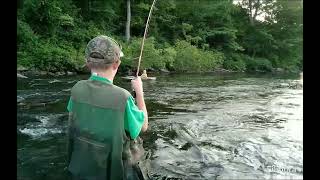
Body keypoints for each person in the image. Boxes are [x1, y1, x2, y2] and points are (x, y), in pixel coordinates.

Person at [66, 35, 149, 180]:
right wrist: (140, 93)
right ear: (117, 64)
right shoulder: (123, 97)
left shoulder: (76, 89)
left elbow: (74, 120)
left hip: (80, 168)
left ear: (87, 62)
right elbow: (143, 127)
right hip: (112, 172)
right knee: (138, 150)